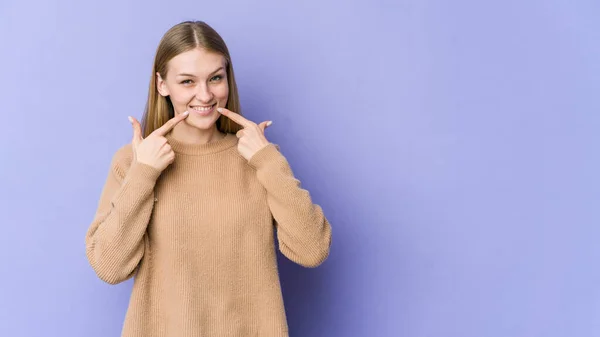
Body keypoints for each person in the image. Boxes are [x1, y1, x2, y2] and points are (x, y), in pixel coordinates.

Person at [84, 20, 332, 336]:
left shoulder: (258, 158)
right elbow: (110, 266)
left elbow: (312, 250)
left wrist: (267, 160)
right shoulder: (135, 161)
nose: (205, 94)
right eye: (187, 81)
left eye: (215, 78)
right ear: (162, 85)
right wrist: (143, 173)